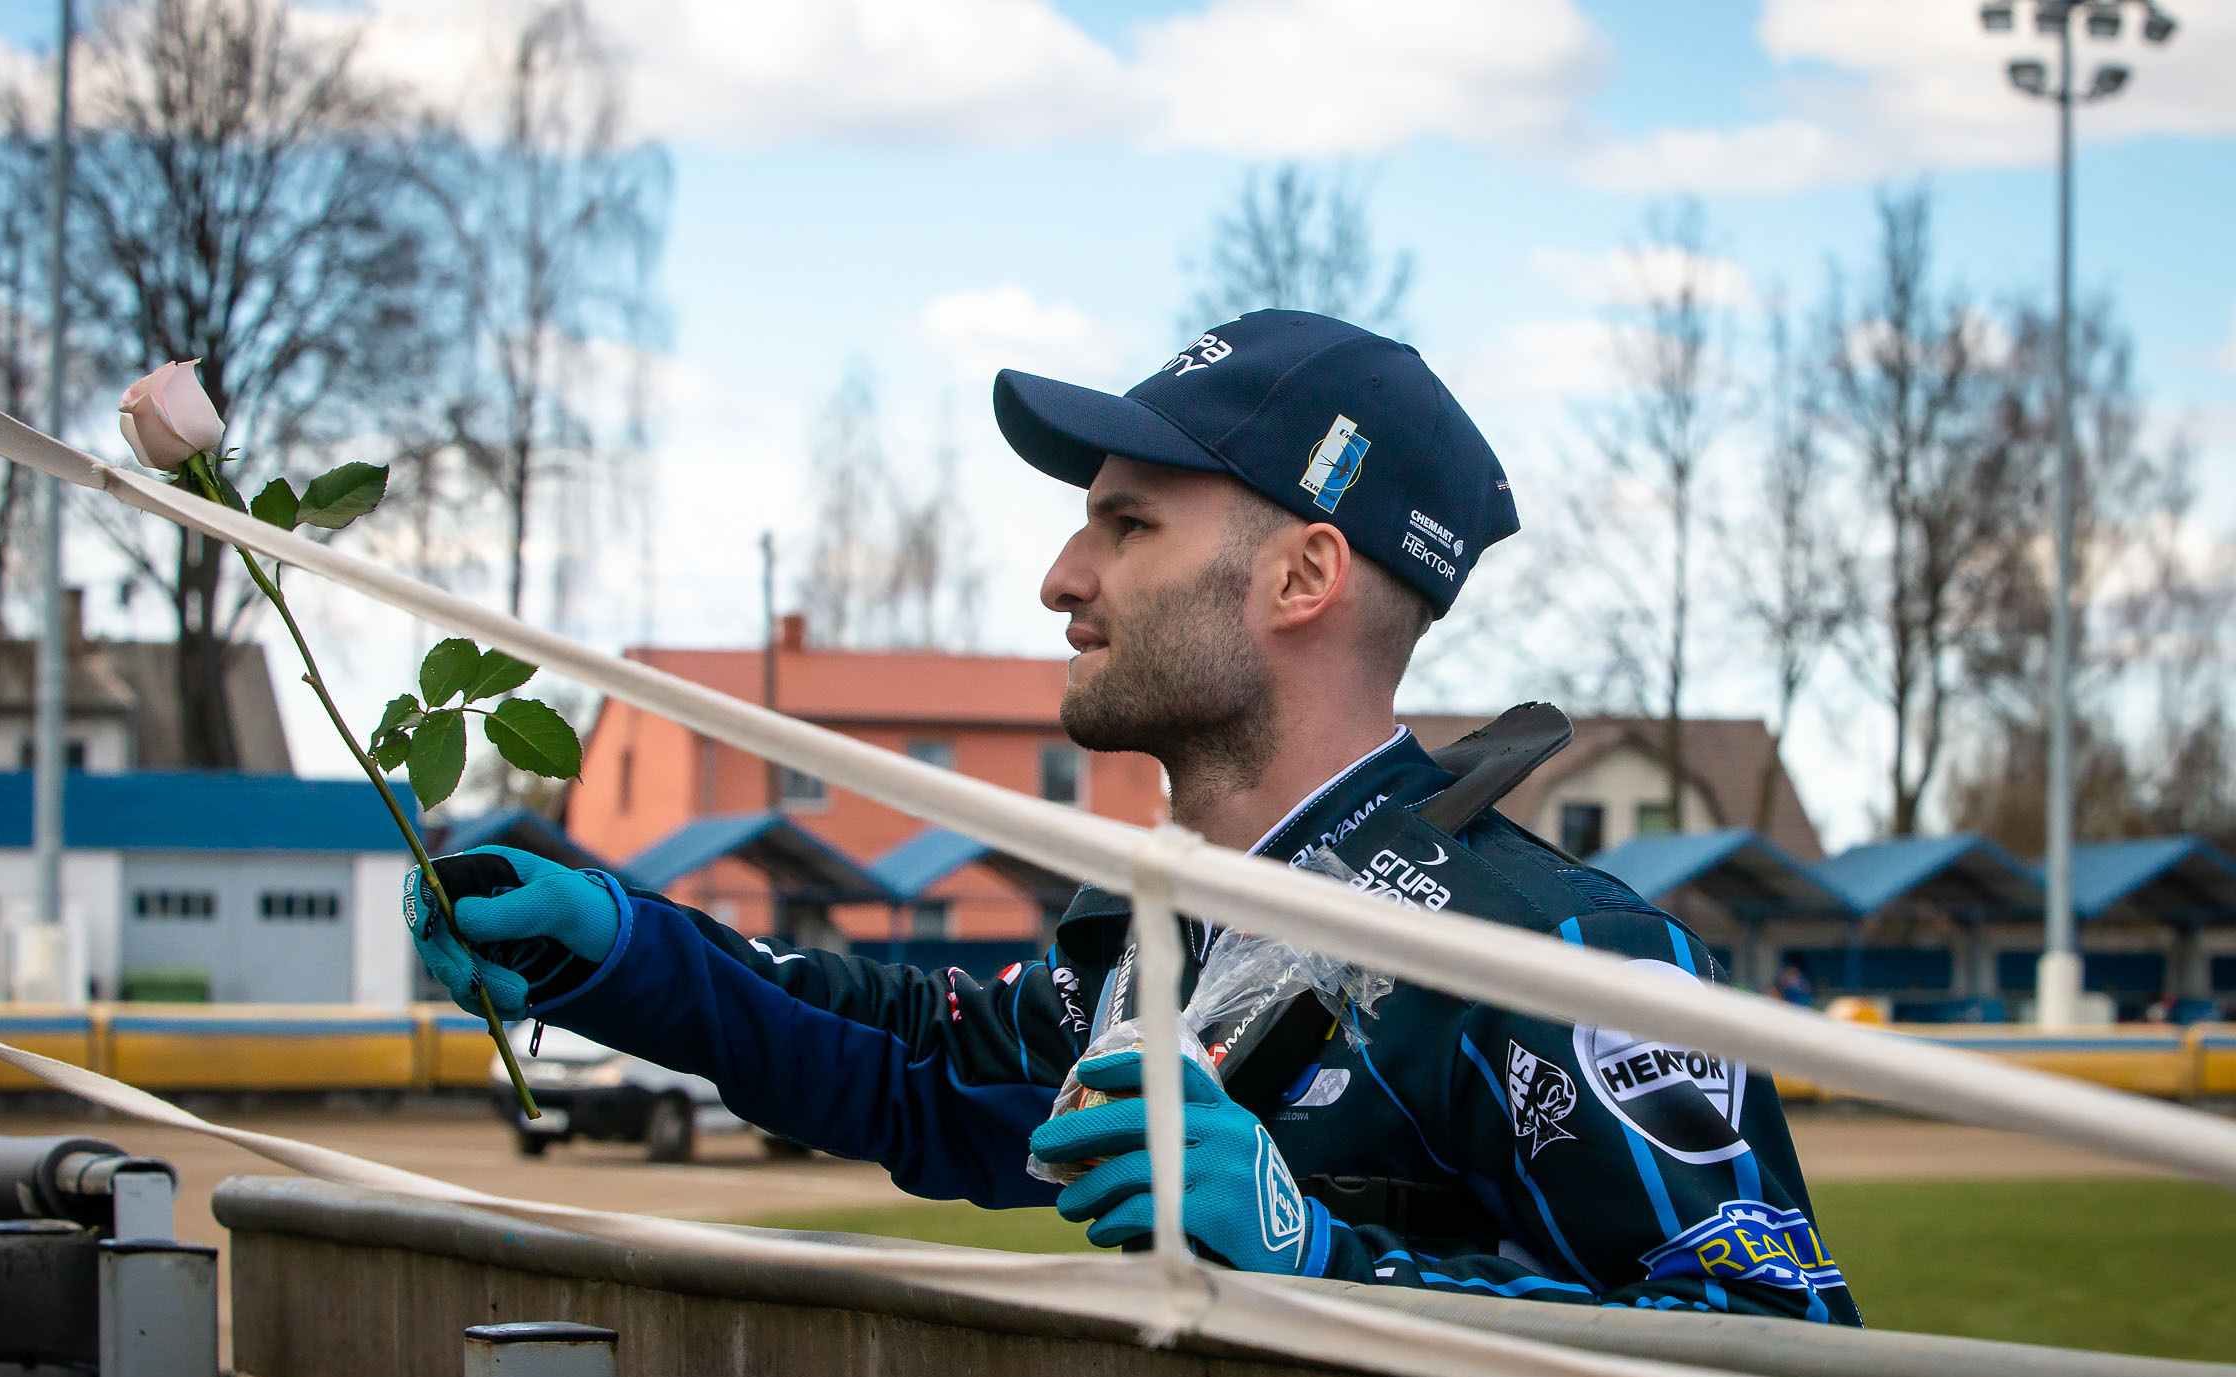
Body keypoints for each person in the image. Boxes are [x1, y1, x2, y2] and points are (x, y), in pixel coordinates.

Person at [406, 311, 1859, 1325]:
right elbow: (917, 1071)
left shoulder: (1564, 956)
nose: (1060, 575)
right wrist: (614, 948)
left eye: (1128, 523)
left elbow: (1780, 1355)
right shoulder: (1146, 936)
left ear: (1303, 577)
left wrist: (1322, 1256)